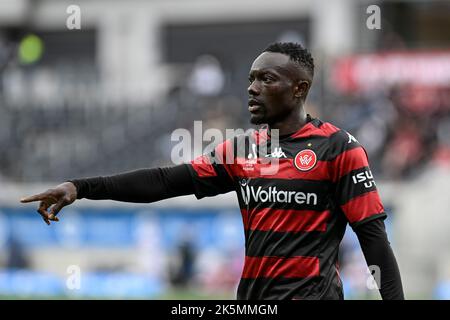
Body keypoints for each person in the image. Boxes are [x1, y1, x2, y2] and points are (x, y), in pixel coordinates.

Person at [21, 42, 404, 300]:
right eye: (251, 78)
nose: (253, 88)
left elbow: (374, 241)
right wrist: (80, 187)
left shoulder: (339, 148)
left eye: (267, 79)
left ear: (300, 88)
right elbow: (164, 182)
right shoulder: (241, 150)